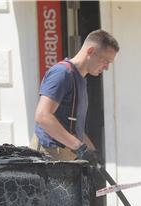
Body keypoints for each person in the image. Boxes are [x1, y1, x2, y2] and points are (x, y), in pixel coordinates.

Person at [33, 29, 119, 162]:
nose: (107, 67)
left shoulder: (80, 79)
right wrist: (79, 147)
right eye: (105, 61)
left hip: (66, 157)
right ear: (90, 51)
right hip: (48, 157)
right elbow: (42, 116)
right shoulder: (62, 73)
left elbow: (72, 126)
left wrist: (92, 151)